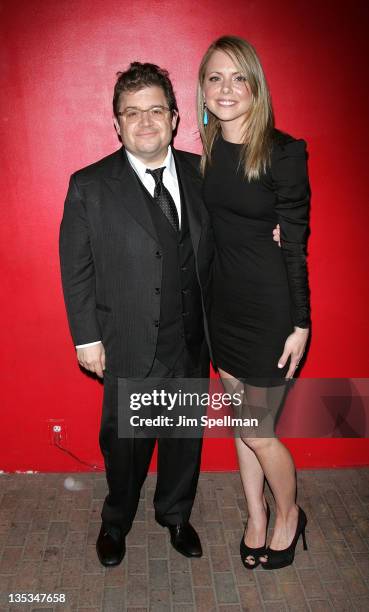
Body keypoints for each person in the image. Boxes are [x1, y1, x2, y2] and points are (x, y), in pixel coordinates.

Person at [59, 62, 215, 566]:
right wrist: (87, 338)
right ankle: (116, 520)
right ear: (117, 124)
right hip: (126, 339)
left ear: (173, 118)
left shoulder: (202, 174)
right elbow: (76, 268)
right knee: (124, 446)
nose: (145, 122)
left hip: (192, 338)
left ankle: (175, 514)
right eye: (132, 113)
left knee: (183, 439)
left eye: (155, 110)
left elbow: (237, 234)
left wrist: (274, 234)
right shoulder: (90, 185)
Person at [197, 36, 311, 570]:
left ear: (255, 86)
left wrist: (301, 323)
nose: (226, 88)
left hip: (268, 310)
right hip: (224, 307)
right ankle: (256, 515)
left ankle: (289, 515)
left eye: (237, 77)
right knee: (242, 420)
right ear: (203, 89)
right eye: (215, 77)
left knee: (256, 429)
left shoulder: (284, 151)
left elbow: (296, 244)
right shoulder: (209, 148)